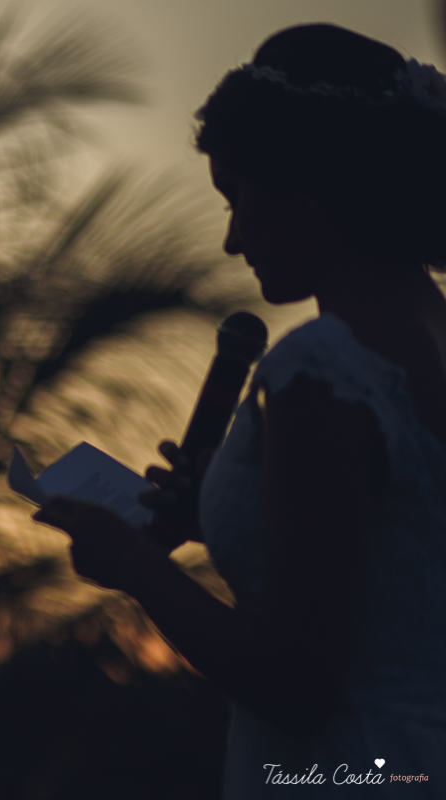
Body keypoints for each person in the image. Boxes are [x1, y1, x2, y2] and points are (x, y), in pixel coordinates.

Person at [32, 24, 446, 798]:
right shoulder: (430, 334)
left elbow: (297, 682)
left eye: (237, 199)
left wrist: (136, 566)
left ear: (308, 190)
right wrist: (219, 516)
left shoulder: (326, 365)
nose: (230, 239)